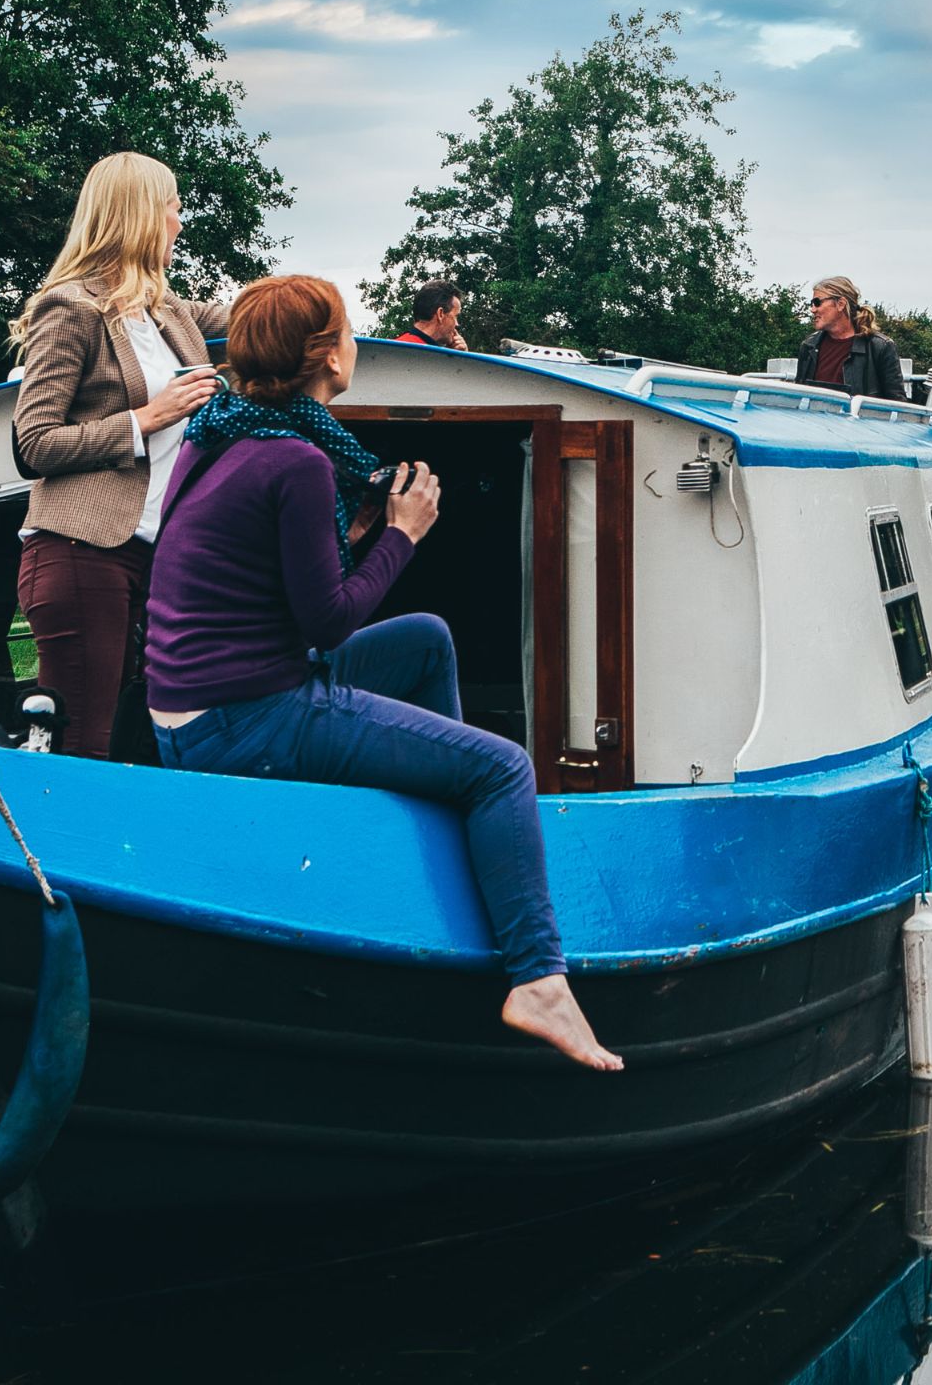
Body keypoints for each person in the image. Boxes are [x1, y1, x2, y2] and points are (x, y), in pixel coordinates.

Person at [143, 274, 620, 1070]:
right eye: (350, 329)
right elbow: (327, 621)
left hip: (192, 707)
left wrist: (362, 528)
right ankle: (537, 980)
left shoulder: (219, 430)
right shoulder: (294, 459)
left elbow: (281, 592)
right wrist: (402, 532)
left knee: (427, 638)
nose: (358, 341)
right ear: (328, 353)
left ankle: (433, 829)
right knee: (502, 768)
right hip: (245, 718)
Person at [10, 152, 229, 759]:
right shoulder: (69, 307)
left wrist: (317, 304)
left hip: (155, 556)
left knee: (144, 737)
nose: (180, 224)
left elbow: (253, 316)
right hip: (83, 551)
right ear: (139, 215)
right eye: (173, 208)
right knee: (84, 743)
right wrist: (145, 419)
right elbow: (33, 442)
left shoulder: (167, 309)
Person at [795, 276, 907, 401]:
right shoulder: (809, 346)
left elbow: (897, 405)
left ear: (841, 304)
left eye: (817, 302)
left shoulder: (879, 347)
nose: (813, 309)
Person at [398, 279, 469, 350]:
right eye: (455, 316)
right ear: (440, 314)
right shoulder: (417, 352)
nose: (457, 324)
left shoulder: (396, 348)